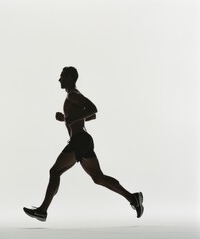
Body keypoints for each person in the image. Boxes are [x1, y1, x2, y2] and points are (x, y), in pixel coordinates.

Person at [23, 66, 144, 222]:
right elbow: (91, 116)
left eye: (62, 76)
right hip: (83, 140)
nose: (59, 79)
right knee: (98, 178)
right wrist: (66, 119)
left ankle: (43, 211)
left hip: (79, 140)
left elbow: (93, 109)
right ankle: (133, 198)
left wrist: (69, 119)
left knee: (55, 172)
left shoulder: (73, 94)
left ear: (70, 78)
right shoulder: (72, 96)